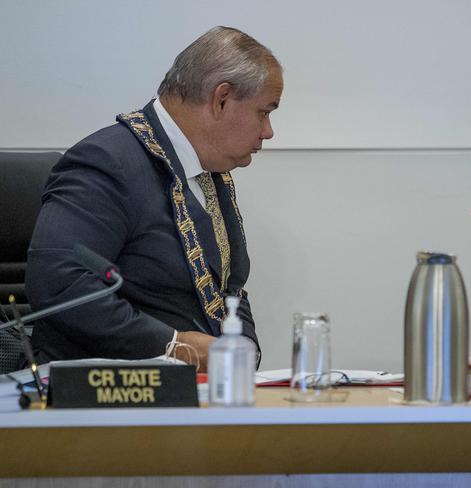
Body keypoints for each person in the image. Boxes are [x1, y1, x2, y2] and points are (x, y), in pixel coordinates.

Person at [25, 26, 283, 371]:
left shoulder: (210, 172)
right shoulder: (106, 162)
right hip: (109, 398)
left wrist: (242, 355)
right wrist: (175, 346)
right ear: (221, 98)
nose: (268, 131)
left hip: (200, 395)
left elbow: (229, 289)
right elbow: (60, 284)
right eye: (264, 112)